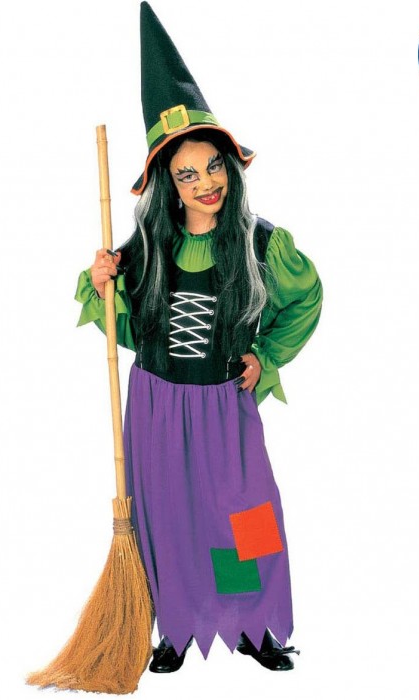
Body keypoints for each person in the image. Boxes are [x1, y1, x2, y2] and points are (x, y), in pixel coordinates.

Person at [75, 2, 322, 675]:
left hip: (223, 401)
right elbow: (124, 322)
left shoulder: (260, 243)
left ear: (230, 167)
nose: (206, 183)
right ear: (167, 183)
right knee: (169, 517)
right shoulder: (146, 247)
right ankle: (176, 627)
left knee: (245, 513)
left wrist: (265, 355)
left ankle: (251, 622)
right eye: (188, 174)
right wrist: (104, 280)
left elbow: (305, 300)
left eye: (213, 167)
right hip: (157, 402)